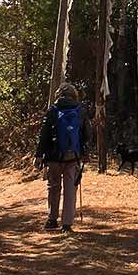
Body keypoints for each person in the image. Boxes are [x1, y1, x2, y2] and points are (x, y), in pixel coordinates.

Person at [35, 82, 90, 233]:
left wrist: (39, 156)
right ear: (74, 95)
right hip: (72, 157)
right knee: (70, 189)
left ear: (58, 95)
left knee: (54, 188)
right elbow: (87, 134)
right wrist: (85, 153)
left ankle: (52, 220)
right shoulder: (79, 111)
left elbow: (44, 135)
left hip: (53, 156)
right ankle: (67, 224)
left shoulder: (52, 111)